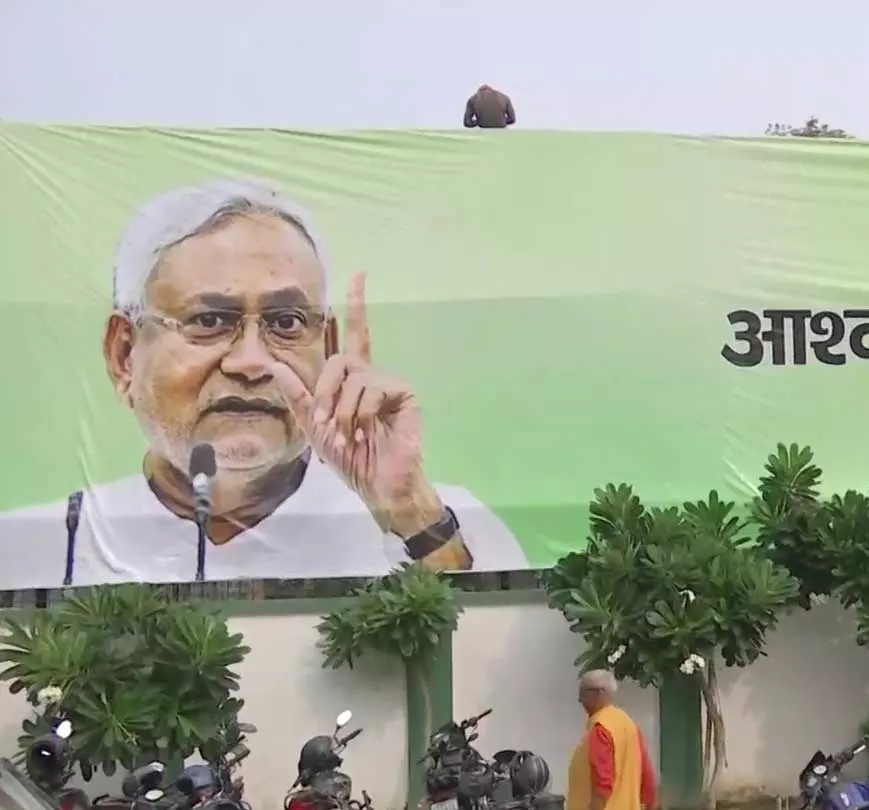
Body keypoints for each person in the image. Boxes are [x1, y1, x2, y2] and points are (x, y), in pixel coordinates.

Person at [0, 180, 528, 590]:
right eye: (209, 321)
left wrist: (411, 512)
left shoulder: (444, 524)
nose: (252, 363)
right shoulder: (32, 547)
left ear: (328, 350)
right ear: (123, 355)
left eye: (286, 323)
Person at [564, 669, 660, 810]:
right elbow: (645, 770)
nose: (579, 700)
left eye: (583, 693)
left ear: (599, 693)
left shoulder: (601, 730)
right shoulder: (626, 723)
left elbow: (603, 784)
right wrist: (650, 809)